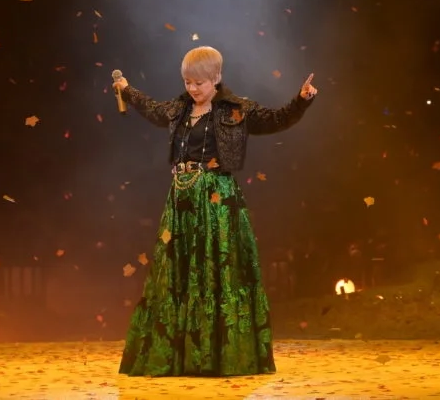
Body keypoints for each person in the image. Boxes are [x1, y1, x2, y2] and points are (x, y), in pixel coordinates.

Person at [114, 46, 318, 377]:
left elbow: (277, 119)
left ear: (216, 78)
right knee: (176, 273)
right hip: (181, 199)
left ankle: (216, 356)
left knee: (214, 273)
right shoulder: (179, 108)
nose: (193, 89)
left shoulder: (236, 110)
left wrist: (301, 100)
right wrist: (127, 90)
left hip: (215, 200)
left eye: (200, 83)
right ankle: (177, 356)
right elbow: (151, 108)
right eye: (188, 82)